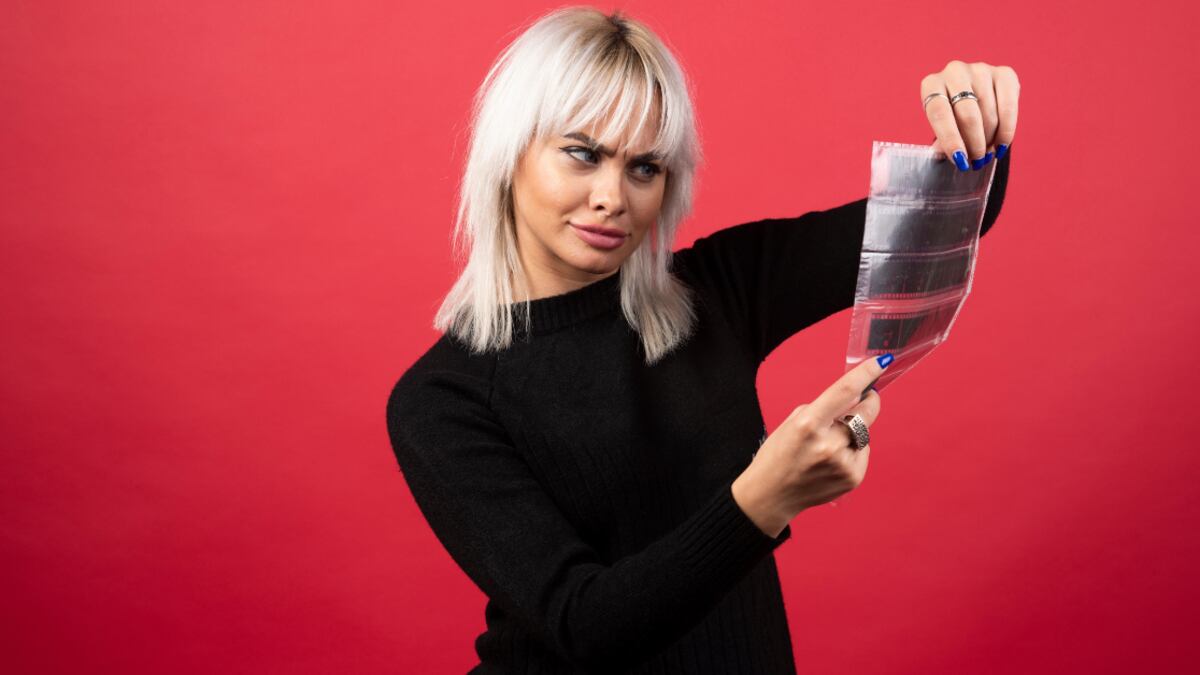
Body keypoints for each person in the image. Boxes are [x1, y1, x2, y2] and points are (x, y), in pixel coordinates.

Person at [385, 6, 1017, 673]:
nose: (612, 197)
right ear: (510, 152)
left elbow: (942, 225)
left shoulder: (716, 290)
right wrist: (764, 499)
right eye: (583, 154)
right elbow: (584, 625)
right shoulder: (443, 399)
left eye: (644, 168)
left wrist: (979, 123)